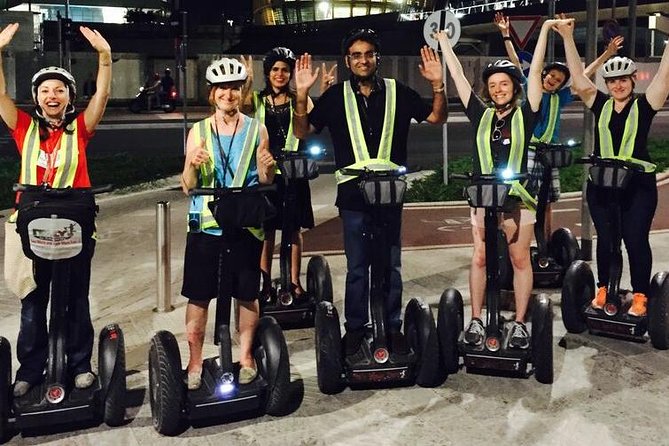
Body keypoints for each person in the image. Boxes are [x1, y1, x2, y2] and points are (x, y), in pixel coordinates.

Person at [293, 28, 447, 355]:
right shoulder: (335, 97)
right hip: (352, 195)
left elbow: (436, 117)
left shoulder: (398, 92)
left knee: (390, 263)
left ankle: (392, 328)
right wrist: (302, 94)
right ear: (348, 61)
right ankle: (355, 329)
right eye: (356, 55)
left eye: (368, 54)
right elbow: (303, 131)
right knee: (358, 266)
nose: (363, 60)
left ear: (378, 57)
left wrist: (437, 84)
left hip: (390, 192)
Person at [0, 23, 112, 397]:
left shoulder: (80, 129)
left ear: (68, 97)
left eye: (59, 90)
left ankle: (80, 363)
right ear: (37, 97)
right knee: (34, 302)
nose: (52, 95)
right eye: (46, 90)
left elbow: (102, 97)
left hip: (74, 224)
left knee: (76, 297)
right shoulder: (24, 128)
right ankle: (31, 368)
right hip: (30, 227)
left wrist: (105, 58)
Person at [436, 16, 551, 349]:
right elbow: (457, 74)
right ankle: (475, 319)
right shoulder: (480, 114)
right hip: (483, 198)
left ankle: (518, 323)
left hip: (517, 200)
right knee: (480, 258)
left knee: (518, 259)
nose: (498, 89)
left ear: (514, 87)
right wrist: (444, 42)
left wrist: (543, 31)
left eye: (505, 83)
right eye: (493, 84)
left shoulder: (526, 112)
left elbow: (537, 70)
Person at [554, 18, 669, 317]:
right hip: (602, 183)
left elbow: (665, 79)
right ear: (607, 84)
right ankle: (605, 288)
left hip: (638, 186)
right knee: (606, 240)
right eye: (612, 81)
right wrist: (567, 36)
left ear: (633, 81)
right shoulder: (601, 104)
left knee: (634, 239)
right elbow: (579, 80)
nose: (618, 85)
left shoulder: (645, 105)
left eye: (623, 80)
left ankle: (641, 294)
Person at [180, 57, 275, 390]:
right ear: (212, 93)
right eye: (222, 88)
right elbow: (187, 185)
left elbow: (264, 178)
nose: (228, 94)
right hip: (207, 227)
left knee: (247, 294)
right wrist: (192, 164)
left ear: (242, 91)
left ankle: (246, 356)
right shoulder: (199, 130)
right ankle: (194, 363)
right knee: (199, 295)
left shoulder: (257, 127)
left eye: (234, 88)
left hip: (245, 224)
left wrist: (268, 167)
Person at [494, 12, 624, 240]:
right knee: (522, 197)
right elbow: (516, 63)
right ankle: (514, 240)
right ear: (543, 75)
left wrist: (607, 54)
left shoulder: (560, 98)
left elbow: (584, 75)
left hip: (550, 152)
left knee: (548, 201)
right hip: (530, 151)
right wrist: (506, 34)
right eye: (550, 76)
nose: (552, 80)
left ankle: (547, 243)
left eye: (558, 80)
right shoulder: (530, 90)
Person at [240, 47, 315, 300]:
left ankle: (294, 282)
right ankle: (265, 283)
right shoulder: (258, 100)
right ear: (267, 73)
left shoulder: (299, 99)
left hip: (294, 174)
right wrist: (246, 82)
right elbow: (240, 107)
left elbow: (311, 124)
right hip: (267, 176)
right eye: (275, 69)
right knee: (267, 230)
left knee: (293, 230)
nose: (280, 74)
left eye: (284, 69)